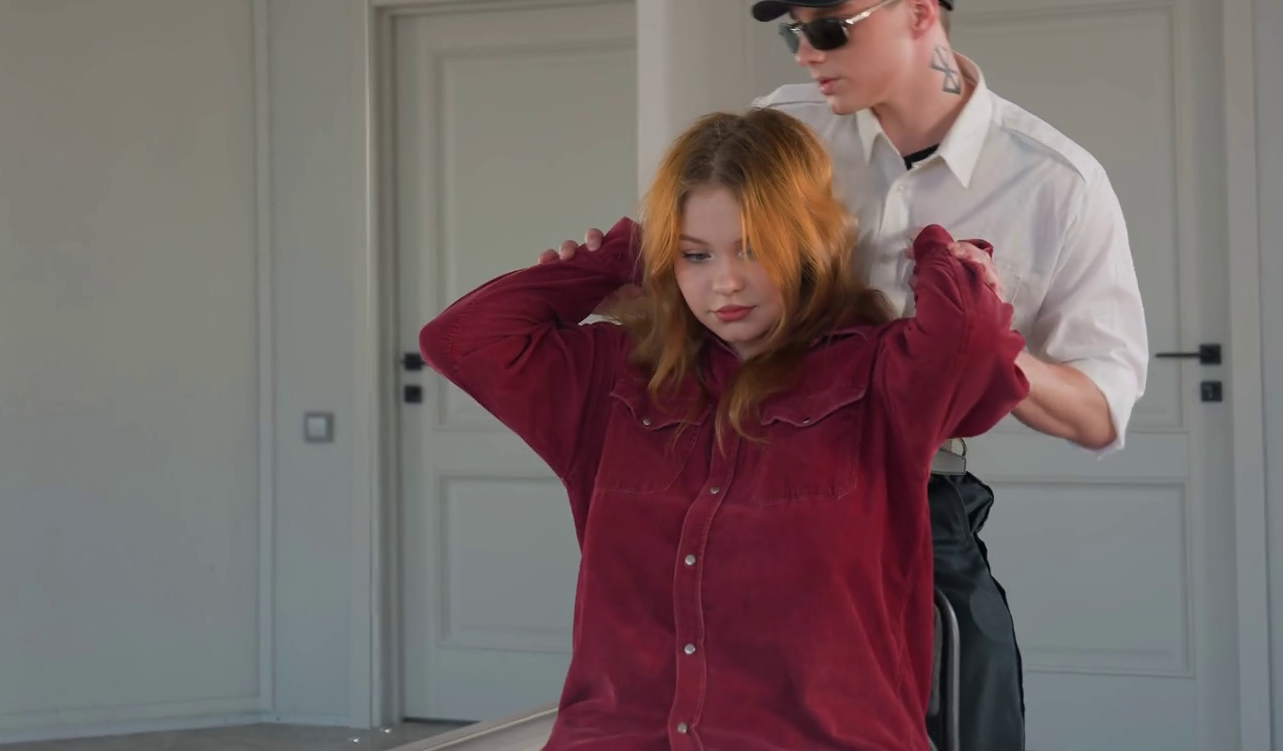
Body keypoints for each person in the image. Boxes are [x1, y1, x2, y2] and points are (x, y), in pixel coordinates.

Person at [421, 107, 1031, 750]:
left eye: (756, 248)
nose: (726, 283)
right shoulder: (614, 379)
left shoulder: (879, 374)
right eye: (695, 255)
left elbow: (973, 346)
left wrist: (935, 251)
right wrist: (621, 257)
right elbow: (460, 340)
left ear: (809, 242)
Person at [749, 0, 1153, 749]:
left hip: (921, 513)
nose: (807, 52)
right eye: (793, 33)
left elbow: (1099, 411)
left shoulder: (1057, 184)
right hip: (757, 490)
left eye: (828, 27)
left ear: (921, 12)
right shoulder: (778, 137)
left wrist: (989, 346)